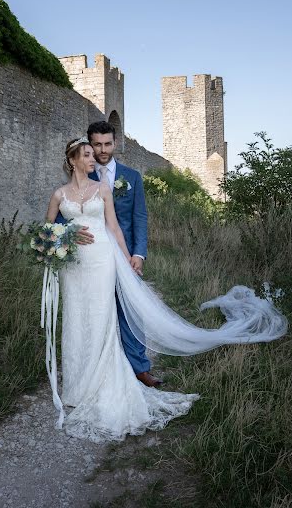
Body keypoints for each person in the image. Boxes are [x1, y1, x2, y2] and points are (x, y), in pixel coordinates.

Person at [46, 137, 287, 442]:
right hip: (75, 267)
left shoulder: (103, 188)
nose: (94, 159)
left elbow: (116, 228)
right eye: (88, 154)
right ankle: (77, 386)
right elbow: (48, 230)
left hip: (103, 261)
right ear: (73, 160)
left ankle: (103, 382)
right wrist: (66, 234)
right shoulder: (59, 194)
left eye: (95, 153)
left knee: (100, 319)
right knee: (76, 320)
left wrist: (129, 260)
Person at [57, 120, 161, 388]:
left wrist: (138, 254)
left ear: (115, 144)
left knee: (131, 312)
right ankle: (95, 368)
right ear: (88, 145)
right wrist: (69, 232)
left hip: (123, 254)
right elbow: (60, 218)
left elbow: (140, 218)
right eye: (97, 145)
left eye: (107, 144)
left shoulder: (132, 176)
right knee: (93, 311)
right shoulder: (83, 174)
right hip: (88, 257)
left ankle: (140, 368)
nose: (102, 150)